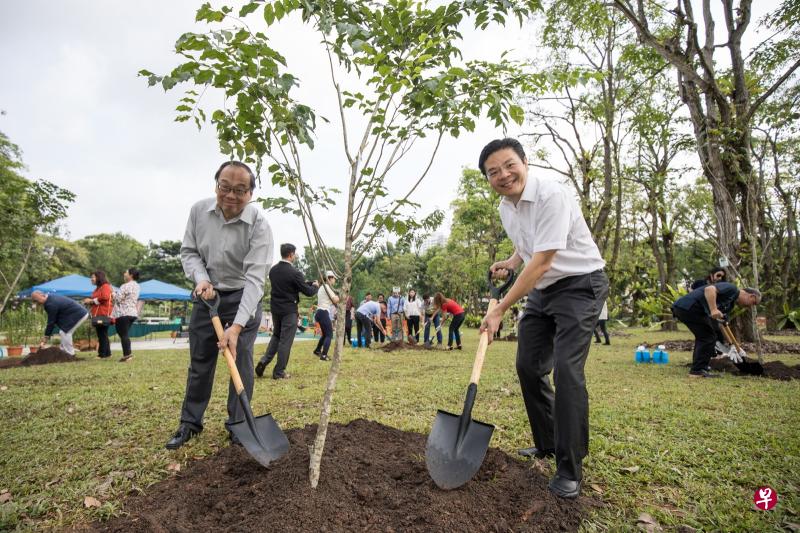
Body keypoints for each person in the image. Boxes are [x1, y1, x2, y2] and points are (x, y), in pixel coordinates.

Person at [478, 137, 608, 499]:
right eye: (493, 172)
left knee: (567, 370)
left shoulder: (552, 195)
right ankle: (548, 442)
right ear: (488, 178)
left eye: (509, 165)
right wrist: (511, 262)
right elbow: (529, 248)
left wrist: (500, 308)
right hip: (543, 289)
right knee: (529, 366)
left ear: (524, 161)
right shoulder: (507, 207)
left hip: (580, 285)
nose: (503, 175)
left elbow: (545, 259)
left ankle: (570, 467)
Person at [166, 161, 273, 450]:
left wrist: (236, 327)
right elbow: (189, 252)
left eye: (240, 190)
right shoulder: (199, 212)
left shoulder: (259, 225)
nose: (231, 196)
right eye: (224, 187)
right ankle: (190, 423)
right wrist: (201, 279)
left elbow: (254, 280)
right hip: (208, 295)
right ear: (216, 186)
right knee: (200, 362)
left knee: (241, 359)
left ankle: (239, 426)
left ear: (251, 193)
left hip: (243, 296)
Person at [672, 283, 761, 378]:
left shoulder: (729, 304)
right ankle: (697, 371)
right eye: (753, 303)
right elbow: (709, 289)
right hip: (689, 307)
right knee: (708, 337)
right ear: (752, 296)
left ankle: (700, 367)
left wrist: (732, 346)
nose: (751, 307)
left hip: (687, 309)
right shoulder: (732, 289)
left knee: (704, 336)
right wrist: (713, 309)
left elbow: (722, 324)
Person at [256, 243, 318, 379]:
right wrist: (315, 286)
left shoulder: (273, 270)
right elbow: (308, 292)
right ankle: (279, 372)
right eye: (294, 254)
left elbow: (290, 285)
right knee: (285, 341)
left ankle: (263, 361)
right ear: (291, 254)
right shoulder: (295, 273)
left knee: (276, 336)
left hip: (275, 309)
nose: (295, 256)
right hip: (289, 310)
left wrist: (305, 282)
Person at [32, 291, 89, 355]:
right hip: (75, 315)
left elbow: (51, 322)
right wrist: (47, 336)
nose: (37, 302)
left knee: (65, 332)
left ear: (42, 295)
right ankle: (63, 352)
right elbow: (54, 320)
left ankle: (70, 354)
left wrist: (46, 336)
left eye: (36, 300)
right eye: (34, 301)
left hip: (79, 315)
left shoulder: (50, 303)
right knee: (63, 332)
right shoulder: (50, 298)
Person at [112, 268, 141, 363]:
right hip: (132, 313)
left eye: (126, 272)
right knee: (125, 334)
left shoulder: (124, 286)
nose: (124, 274)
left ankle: (127, 355)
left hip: (123, 313)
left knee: (123, 334)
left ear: (131, 275)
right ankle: (127, 355)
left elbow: (118, 299)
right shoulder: (137, 286)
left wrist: (113, 294)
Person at [83, 270, 114, 359]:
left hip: (103, 314)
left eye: (93, 277)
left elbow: (105, 297)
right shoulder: (98, 288)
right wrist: (89, 301)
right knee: (103, 334)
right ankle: (108, 354)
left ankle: (102, 354)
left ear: (99, 277)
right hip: (98, 313)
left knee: (102, 334)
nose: (91, 279)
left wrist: (91, 300)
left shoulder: (105, 286)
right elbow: (99, 299)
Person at [313, 270, 340, 361]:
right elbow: (335, 300)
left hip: (320, 312)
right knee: (329, 334)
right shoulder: (327, 287)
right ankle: (324, 355)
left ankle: (317, 350)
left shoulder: (321, 287)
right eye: (334, 279)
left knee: (325, 334)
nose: (334, 281)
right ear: (330, 278)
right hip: (323, 312)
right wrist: (341, 296)